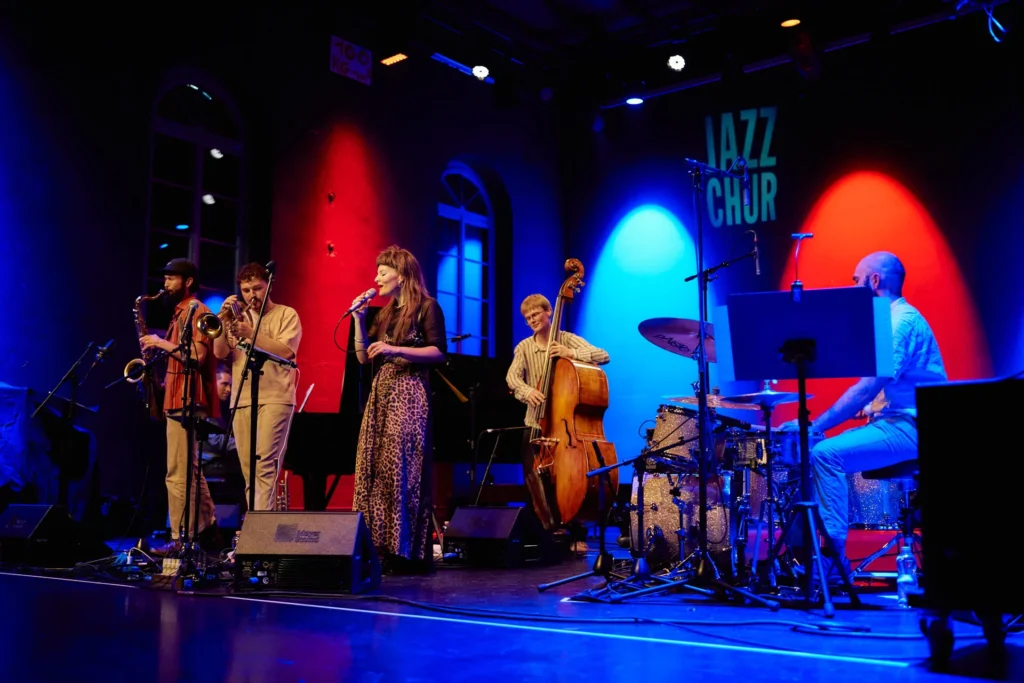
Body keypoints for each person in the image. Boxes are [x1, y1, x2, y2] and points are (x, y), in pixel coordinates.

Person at [779, 251, 947, 573]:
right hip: (900, 421)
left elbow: (867, 386)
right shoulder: (891, 321)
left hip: (913, 427)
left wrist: (814, 425)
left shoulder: (899, 322)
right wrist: (870, 407)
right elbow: (898, 386)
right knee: (814, 452)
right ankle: (802, 555)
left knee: (825, 452)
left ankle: (834, 562)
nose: (853, 285)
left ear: (874, 280)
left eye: (856, 280)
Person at [350, 245, 447, 575]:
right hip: (382, 393)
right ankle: (374, 545)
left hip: (409, 393)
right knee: (374, 469)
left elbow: (438, 352)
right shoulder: (384, 314)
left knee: (401, 470)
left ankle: (403, 549)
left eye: (383, 272)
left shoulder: (427, 307)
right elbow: (363, 357)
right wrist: (358, 321)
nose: (376, 278)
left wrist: (395, 349)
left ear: (402, 275)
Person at [505, 293, 610, 547]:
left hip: (564, 426)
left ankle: (575, 532)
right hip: (535, 424)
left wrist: (569, 352)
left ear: (548, 312)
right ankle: (545, 535)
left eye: (535, 314)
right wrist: (527, 392)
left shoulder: (566, 338)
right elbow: (512, 378)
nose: (532, 320)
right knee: (535, 482)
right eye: (527, 317)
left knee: (570, 479)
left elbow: (603, 355)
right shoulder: (524, 347)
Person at [140, 258, 221, 555]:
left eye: (171, 278)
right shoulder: (180, 313)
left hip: (187, 400)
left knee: (177, 474)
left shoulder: (196, 310)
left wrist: (159, 343)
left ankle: (180, 538)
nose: (165, 284)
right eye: (165, 278)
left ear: (187, 282)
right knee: (189, 471)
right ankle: (208, 532)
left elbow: (196, 357)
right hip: (175, 398)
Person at [212, 262, 302, 512]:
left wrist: (250, 333)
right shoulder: (238, 318)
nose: (252, 295)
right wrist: (222, 322)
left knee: (265, 467)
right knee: (249, 470)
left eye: (257, 288)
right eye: (246, 290)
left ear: (268, 286)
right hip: (242, 399)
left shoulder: (286, 314)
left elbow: (286, 351)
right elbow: (220, 352)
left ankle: (260, 530)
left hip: (276, 398)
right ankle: (257, 526)